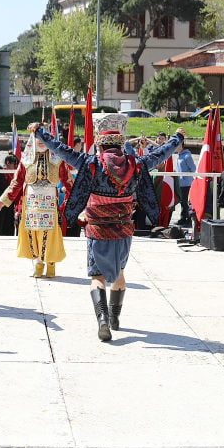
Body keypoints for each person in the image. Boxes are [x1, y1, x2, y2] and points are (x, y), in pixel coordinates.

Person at [33, 115, 182, 341]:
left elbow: (61, 149)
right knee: (119, 275)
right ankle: (114, 318)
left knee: (97, 276)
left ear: (101, 145)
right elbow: (160, 154)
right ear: (121, 145)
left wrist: (40, 132)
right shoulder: (137, 164)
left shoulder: (90, 164)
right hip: (123, 229)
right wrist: (177, 137)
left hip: (97, 229)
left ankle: (102, 320)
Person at [0, 132, 71, 278]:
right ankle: (38, 263)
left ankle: (50, 263)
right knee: (32, 233)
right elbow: (17, 182)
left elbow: (68, 181)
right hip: (30, 203)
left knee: (50, 234)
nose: (40, 142)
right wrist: (3, 200)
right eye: (38, 139)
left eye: (43, 139)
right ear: (33, 140)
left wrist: (77, 200)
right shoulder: (26, 159)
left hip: (49, 202)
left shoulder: (58, 159)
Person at [175, 137, 195, 225]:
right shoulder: (179, 156)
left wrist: (185, 176)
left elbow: (193, 169)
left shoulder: (187, 155)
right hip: (180, 182)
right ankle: (183, 218)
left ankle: (188, 219)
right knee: (182, 202)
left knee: (186, 202)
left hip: (186, 183)